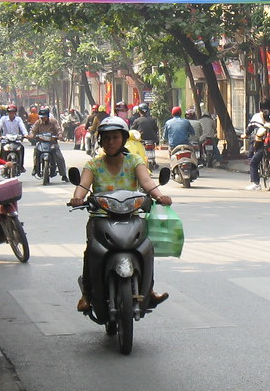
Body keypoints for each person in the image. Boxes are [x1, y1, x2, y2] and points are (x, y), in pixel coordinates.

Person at [69, 116, 172, 312]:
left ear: (123, 139)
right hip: (101, 218)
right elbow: (82, 186)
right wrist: (78, 198)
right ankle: (87, 295)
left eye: (115, 137)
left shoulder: (134, 161)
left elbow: (147, 182)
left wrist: (159, 195)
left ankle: (148, 290)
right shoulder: (93, 164)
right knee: (92, 251)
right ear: (100, 140)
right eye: (106, 138)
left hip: (131, 217)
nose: (110, 142)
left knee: (146, 248)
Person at [245, 104, 270, 191]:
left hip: (264, 150)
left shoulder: (262, 129)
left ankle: (256, 183)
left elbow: (257, 142)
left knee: (253, 163)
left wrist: (255, 149)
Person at [29, 107, 66, 180]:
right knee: (36, 151)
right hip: (41, 142)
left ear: (48, 116)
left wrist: (60, 135)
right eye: (41, 117)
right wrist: (31, 135)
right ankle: (35, 167)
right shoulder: (38, 122)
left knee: (59, 157)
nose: (43, 118)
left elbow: (58, 129)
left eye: (44, 117)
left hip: (52, 142)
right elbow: (33, 131)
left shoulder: (53, 121)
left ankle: (64, 174)